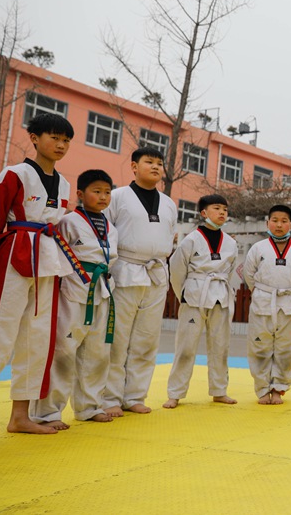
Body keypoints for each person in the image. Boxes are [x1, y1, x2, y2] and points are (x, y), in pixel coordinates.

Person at [0, 113, 87, 434]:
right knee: (1, 332)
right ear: (34, 138)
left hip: (48, 258)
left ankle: (20, 417)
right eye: (54, 137)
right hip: (14, 255)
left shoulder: (64, 183)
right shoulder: (15, 173)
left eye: (66, 140)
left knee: (37, 339)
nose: (61, 145)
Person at [30, 170, 118, 426]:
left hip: (102, 289)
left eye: (107, 192)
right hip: (73, 288)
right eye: (97, 191)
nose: (103, 197)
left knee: (98, 352)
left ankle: (89, 406)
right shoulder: (69, 222)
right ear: (80, 194)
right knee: (63, 351)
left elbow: (112, 259)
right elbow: (56, 254)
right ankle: (47, 413)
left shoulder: (111, 227)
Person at [103, 147, 178, 416]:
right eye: (149, 162)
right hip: (125, 269)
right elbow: (107, 234)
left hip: (156, 272)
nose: (156, 167)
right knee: (117, 338)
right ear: (134, 166)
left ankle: (135, 395)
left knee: (147, 339)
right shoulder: (118, 197)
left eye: (160, 163)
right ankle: (109, 397)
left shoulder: (169, 203)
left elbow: (170, 236)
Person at [163, 194, 239, 409]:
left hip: (220, 296)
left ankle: (219, 390)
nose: (222, 212)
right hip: (195, 295)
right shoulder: (191, 240)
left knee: (220, 345)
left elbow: (231, 271)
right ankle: (175, 393)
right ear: (204, 213)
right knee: (186, 347)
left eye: (225, 209)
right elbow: (177, 270)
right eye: (217, 208)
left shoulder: (231, 243)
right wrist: (184, 295)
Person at [243, 204, 291, 405]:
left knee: (287, 347)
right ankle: (262, 388)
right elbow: (249, 274)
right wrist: (260, 292)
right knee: (260, 346)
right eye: (275, 220)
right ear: (267, 223)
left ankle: (278, 388)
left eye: (283, 221)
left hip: (288, 302)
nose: (279, 225)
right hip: (263, 300)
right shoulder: (258, 248)